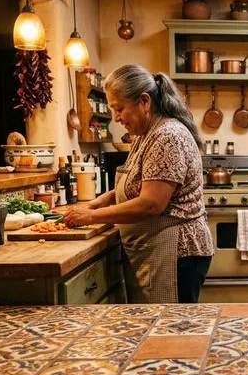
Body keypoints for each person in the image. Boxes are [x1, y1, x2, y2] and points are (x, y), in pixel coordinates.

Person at [63, 64, 213, 303]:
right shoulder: (147, 135)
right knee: (154, 323)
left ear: (144, 102)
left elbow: (151, 203)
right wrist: (99, 202)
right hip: (159, 249)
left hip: (176, 252)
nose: (116, 117)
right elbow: (138, 183)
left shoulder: (167, 136)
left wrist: (91, 216)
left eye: (119, 108)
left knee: (169, 323)